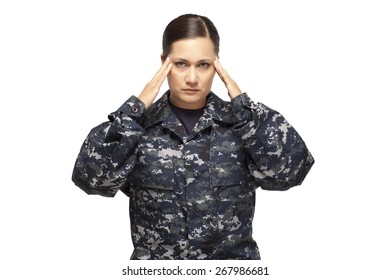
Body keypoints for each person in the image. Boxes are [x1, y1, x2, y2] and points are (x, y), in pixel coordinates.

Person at [71, 14, 314, 260]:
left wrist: (246, 109)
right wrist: (136, 109)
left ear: (217, 65)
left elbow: (290, 174)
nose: (192, 78)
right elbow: (91, 180)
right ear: (163, 62)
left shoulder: (245, 128)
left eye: (203, 65)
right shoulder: (135, 130)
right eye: (181, 64)